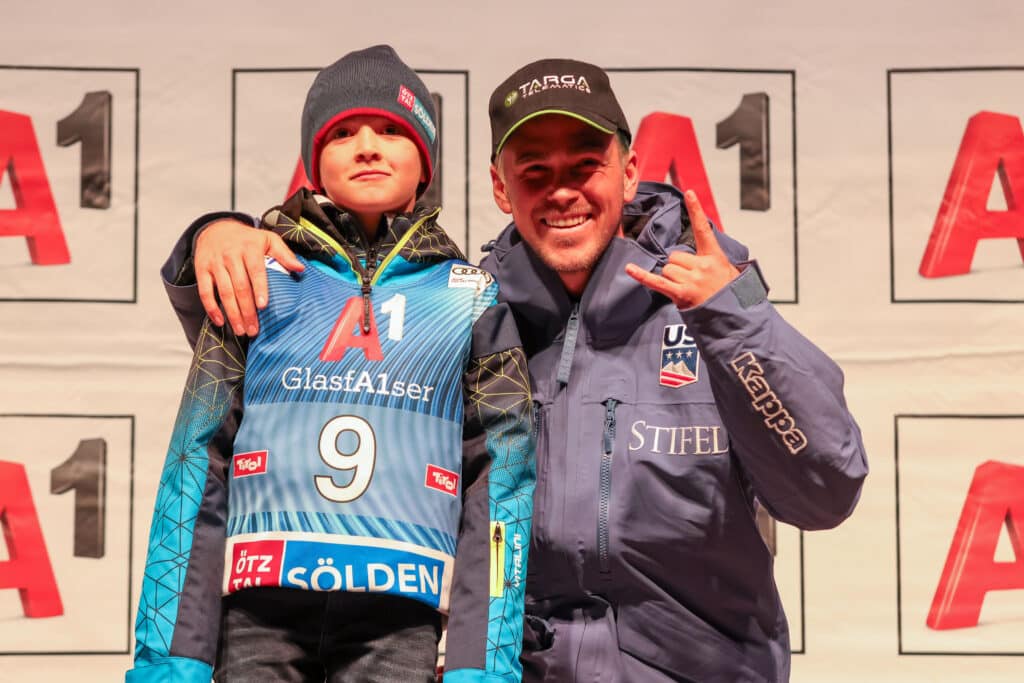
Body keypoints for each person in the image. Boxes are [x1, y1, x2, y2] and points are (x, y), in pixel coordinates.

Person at [163, 57, 868, 683]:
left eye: (584, 164)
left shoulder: (713, 301)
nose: (561, 191)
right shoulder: (463, 312)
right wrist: (213, 234)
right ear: (502, 189)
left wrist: (734, 317)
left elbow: (825, 490)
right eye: (535, 169)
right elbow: (292, 371)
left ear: (630, 170)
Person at [128, 45, 534, 683]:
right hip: (255, 614)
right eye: (342, 132)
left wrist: (482, 667)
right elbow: (194, 467)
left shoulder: (471, 298)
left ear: (426, 162)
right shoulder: (257, 276)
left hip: (400, 618)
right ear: (313, 162)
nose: (367, 146)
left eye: (391, 130)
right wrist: (168, 660)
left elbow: (502, 489)